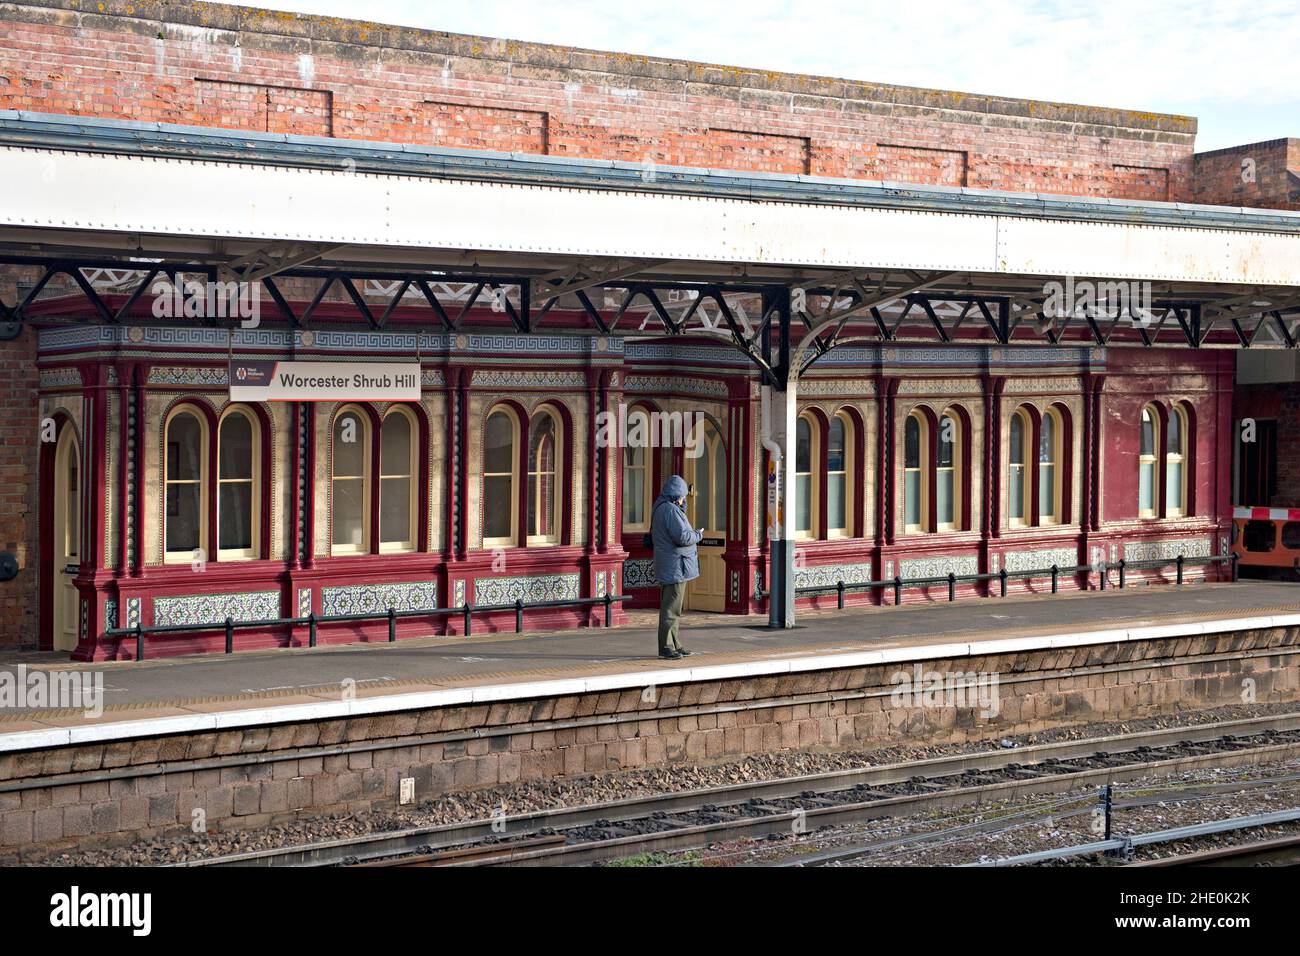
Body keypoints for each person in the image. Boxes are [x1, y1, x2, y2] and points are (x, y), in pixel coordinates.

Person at [650, 474, 703, 660]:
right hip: (675, 566)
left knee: (673, 608)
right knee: (671, 609)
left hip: (672, 565)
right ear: (676, 494)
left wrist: (682, 508)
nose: (683, 499)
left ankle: (674, 644)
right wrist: (698, 535)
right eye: (682, 496)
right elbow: (682, 537)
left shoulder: (663, 507)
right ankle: (666, 647)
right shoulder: (670, 511)